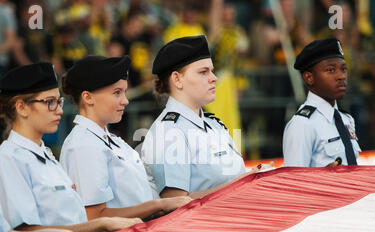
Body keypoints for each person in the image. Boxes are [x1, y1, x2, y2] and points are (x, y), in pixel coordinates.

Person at [0, 62, 142, 232]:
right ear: (21, 107)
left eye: (59, 102)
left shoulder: (44, 155)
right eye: (49, 102)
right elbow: (24, 231)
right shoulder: (9, 158)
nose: (59, 110)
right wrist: (101, 224)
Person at [60, 55, 191, 221]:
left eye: (124, 92)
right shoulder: (83, 145)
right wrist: (158, 205)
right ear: (88, 97)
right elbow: (94, 217)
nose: (125, 101)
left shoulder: (110, 139)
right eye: (117, 93)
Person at [141, 35, 262, 199]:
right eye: (203, 72)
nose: (214, 78)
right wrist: (239, 184)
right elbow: (173, 205)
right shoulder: (168, 132)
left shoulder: (213, 124)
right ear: (177, 79)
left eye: (212, 71)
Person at [283, 37, 361, 167]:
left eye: (343, 69)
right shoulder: (302, 124)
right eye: (331, 70)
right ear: (309, 77)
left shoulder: (346, 119)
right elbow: (294, 183)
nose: (341, 76)